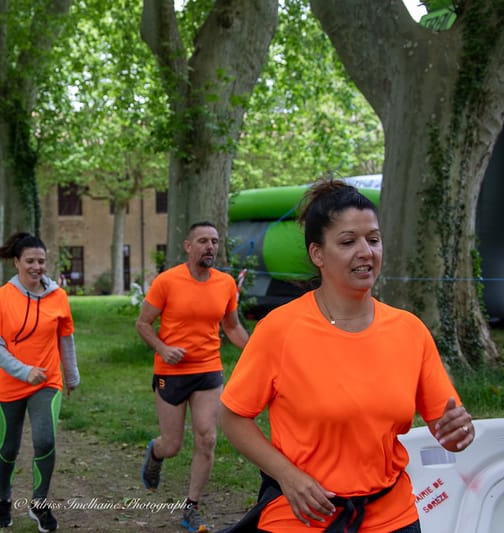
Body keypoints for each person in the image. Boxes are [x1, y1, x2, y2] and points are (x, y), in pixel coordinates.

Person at [218, 179, 475, 533]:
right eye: (348, 241)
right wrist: (288, 477)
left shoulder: (409, 330)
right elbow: (233, 417)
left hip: (392, 516)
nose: (366, 251)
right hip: (304, 516)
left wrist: (457, 433)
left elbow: (446, 426)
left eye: (373, 239)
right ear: (317, 254)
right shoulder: (280, 329)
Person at [136, 221, 250, 533]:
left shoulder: (226, 283)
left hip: (208, 370)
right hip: (170, 372)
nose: (210, 246)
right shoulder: (167, 281)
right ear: (188, 246)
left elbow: (232, 326)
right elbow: (143, 323)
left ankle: (191, 507)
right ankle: (156, 452)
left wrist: (256, 350)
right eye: (203, 241)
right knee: (172, 444)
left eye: (214, 241)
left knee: (207, 437)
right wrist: (162, 347)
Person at [0, 232, 80, 532]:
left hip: (47, 383)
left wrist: (72, 374)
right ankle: (3, 499)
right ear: (16, 262)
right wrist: (24, 371)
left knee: (45, 440)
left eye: (41, 261)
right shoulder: (1, 297)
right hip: (7, 386)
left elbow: (66, 338)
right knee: (8, 448)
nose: (37, 267)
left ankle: (39, 504)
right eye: (30, 261)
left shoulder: (58, 296)